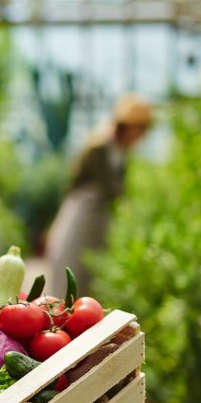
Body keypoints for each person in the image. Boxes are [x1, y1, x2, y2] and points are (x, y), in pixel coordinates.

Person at [45, 92, 153, 296]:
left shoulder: (120, 151)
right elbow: (80, 184)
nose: (142, 136)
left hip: (99, 219)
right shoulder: (99, 147)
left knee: (89, 277)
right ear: (128, 126)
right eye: (141, 129)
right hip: (82, 214)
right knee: (71, 268)